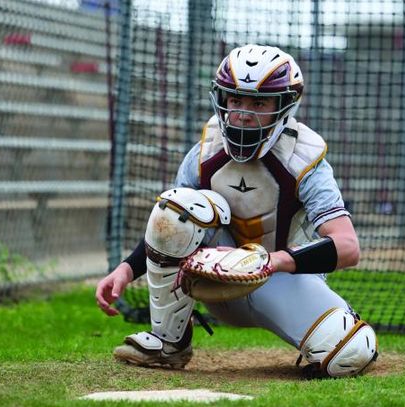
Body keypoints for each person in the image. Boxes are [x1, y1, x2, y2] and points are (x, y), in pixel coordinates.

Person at [96, 44, 378, 378]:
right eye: (235, 100)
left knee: (351, 353)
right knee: (179, 205)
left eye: (258, 102)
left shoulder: (304, 159)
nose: (243, 113)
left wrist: (269, 263)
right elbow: (172, 223)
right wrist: (126, 270)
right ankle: (169, 342)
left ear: (284, 105)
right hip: (216, 284)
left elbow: (348, 247)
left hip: (283, 281)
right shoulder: (205, 151)